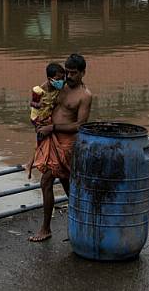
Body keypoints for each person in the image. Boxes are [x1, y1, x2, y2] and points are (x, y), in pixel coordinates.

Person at [30, 54, 92, 242]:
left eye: (74, 73)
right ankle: (81, 225)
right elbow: (41, 96)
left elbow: (80, 125)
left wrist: (53, 127)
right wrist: (37, 111)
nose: (70, 76)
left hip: (67, 144)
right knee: (64, 184)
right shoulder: (60, 84)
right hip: (51, 138)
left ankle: (46, 228)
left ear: (83, 73)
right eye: (68, 72)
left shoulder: (85, 95)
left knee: (49, 182)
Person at [26, 62, 66, 179]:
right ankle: (31, 164)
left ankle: (41, 162)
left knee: (43, 141)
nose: (62, 81)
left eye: (63, 78)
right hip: (39, 118)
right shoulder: (39, 90)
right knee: (40, 140)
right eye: (59, 79)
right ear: (50, 79)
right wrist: (39, 105)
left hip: (48, 116)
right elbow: (32, 103)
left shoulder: (58, 87)